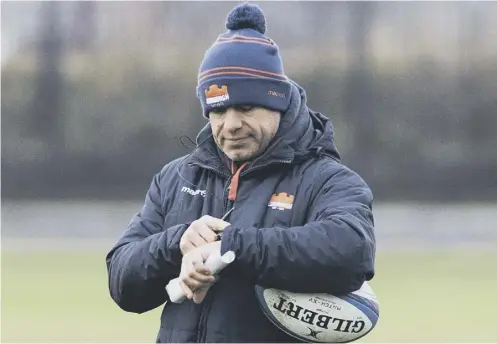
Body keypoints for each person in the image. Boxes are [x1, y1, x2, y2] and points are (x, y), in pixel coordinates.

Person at [106, 3, 376, 343]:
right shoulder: (176, 178)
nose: (231, 125)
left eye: (246, 108)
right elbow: (121, 282)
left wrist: (229, 248)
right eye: (218, 111)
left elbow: (351, 251)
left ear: (277, 103)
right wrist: (177, 244)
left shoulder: (327, 179)